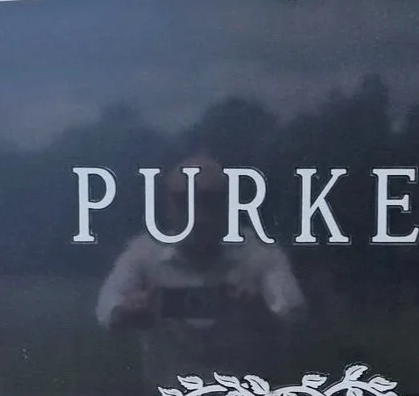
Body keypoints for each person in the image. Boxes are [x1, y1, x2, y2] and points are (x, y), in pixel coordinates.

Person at [95, 159, 304, 384]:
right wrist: (126, 311)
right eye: (184, 201)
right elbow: (108, 303)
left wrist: (261, 313)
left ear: (229, 203)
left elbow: (292, 310)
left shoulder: (261, 255)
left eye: (209, 201)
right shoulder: (143, 253)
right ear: (167, 206)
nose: (199, 215)